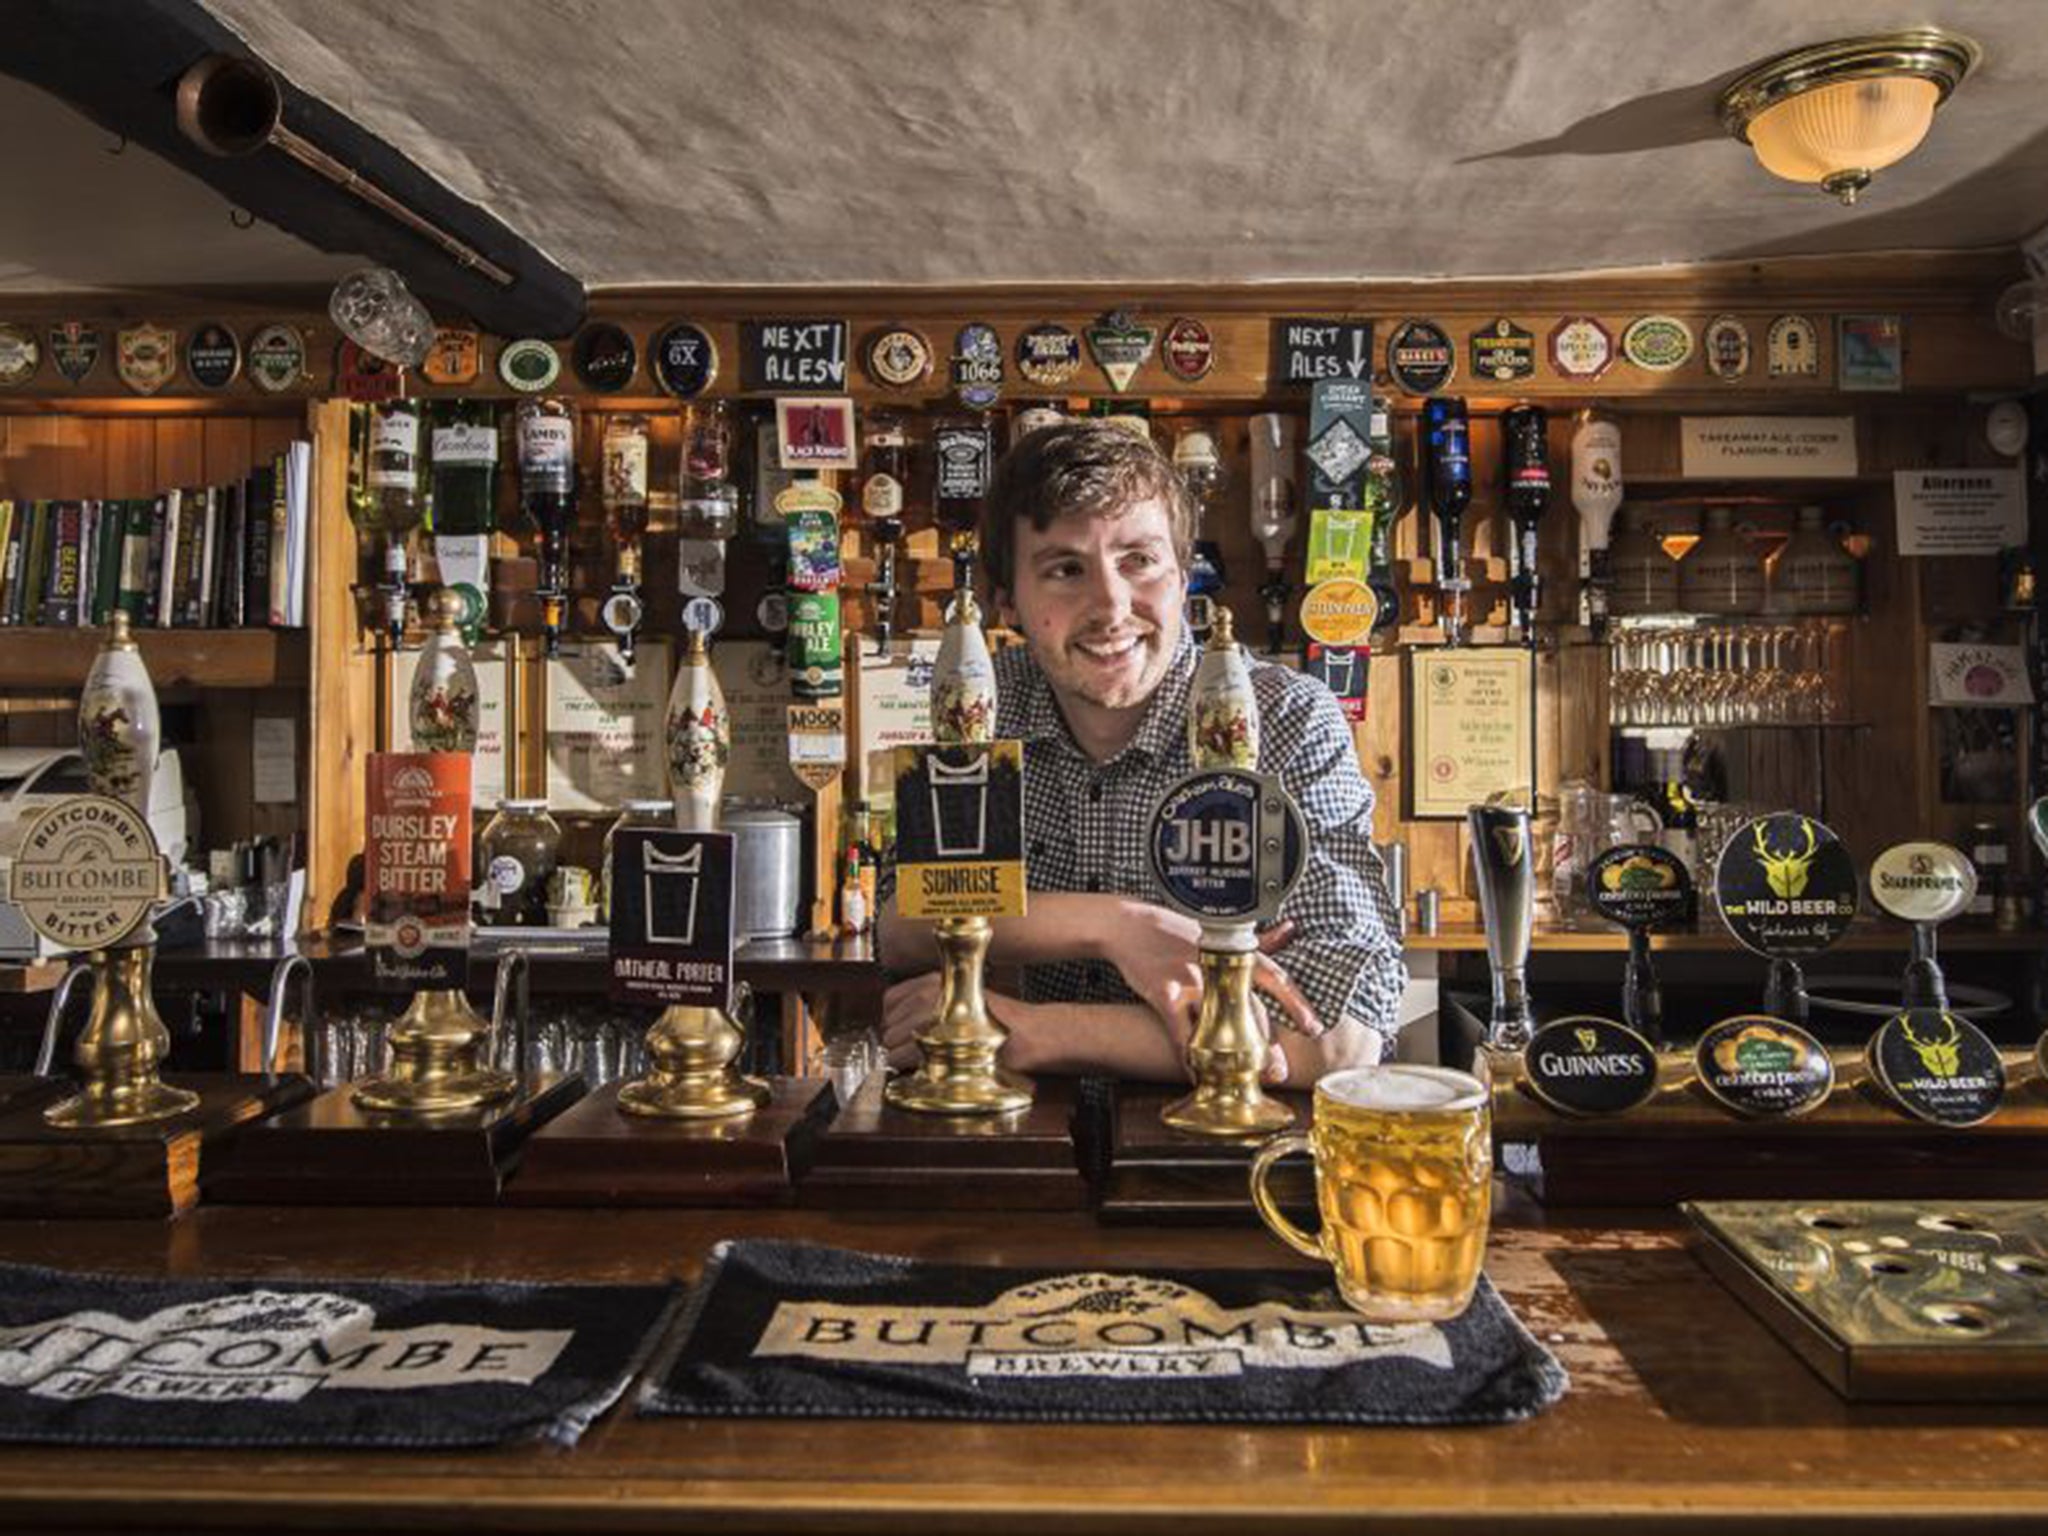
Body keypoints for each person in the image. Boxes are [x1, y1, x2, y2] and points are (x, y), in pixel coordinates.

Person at [879, 420, 1406, 1086]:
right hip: (1021, 1148)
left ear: (1185, 576)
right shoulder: (984, 705)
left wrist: (1026, 1030)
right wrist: (1116, 926)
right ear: (1006, 602)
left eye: (1139, 560)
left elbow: (1340, 1040)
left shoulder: (1285, 718)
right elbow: (902, 922)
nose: (1111, 606)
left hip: (1232, 1162)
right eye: (1065, 569)